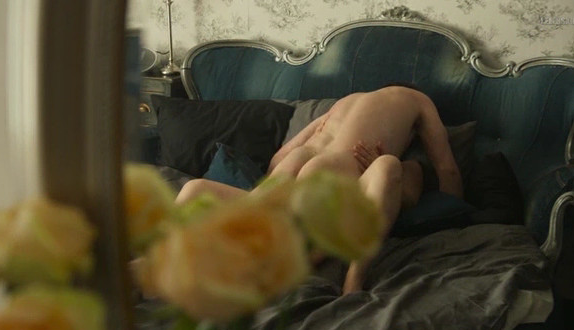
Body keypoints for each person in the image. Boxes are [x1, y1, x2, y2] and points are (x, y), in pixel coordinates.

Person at [176, 85, 463, 294]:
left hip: (291, 167)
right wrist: (457, 209)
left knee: (195, 188)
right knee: (388, 165)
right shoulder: (417, 99)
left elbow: (278, 157)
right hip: (332, 173)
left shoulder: (340, 104)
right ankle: (352, 280)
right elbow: (447, 170)